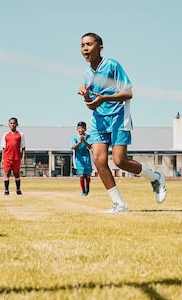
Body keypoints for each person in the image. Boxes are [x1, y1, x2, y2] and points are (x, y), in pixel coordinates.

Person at [78, 32, 166, 213]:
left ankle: (155, 177)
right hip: (98, 121)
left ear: (100, 47)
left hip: (118, 117)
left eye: (89, 44)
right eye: (82, 45)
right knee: (99, 160)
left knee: (120, 161)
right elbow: (91, 106)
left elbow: (128, 93)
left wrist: (104, 99)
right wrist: (87, 96)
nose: (85, 48)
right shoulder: (87, 73)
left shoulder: (112, 65)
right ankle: (120, 204)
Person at [1, 117, 26, 195]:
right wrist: (3, 159)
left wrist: (23, 157)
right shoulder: (5, 135)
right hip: (7, 158)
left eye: (14, 123)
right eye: (11, 123)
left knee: (16, 173)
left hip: (16, 157)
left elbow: (23, 147)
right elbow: (3, 148)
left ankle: (18, 190)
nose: (12, 125)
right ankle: (6, 190)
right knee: (7, 173)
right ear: (8, 124)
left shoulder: (20, 135)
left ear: (17, 124)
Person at [71, 121, 93, 196]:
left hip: (87, 159)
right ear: (77, 129)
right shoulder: (74, 137)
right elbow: (72, 147)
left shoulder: (88, 137)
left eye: (83, 128)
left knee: (87, 176)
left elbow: (90, 146)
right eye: (79, 128)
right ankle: (83, 191)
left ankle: (87, 186)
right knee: (81, 175)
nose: (81, 129)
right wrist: (79, 142)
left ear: (85, 129)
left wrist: (84, 141)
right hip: (78, 159)